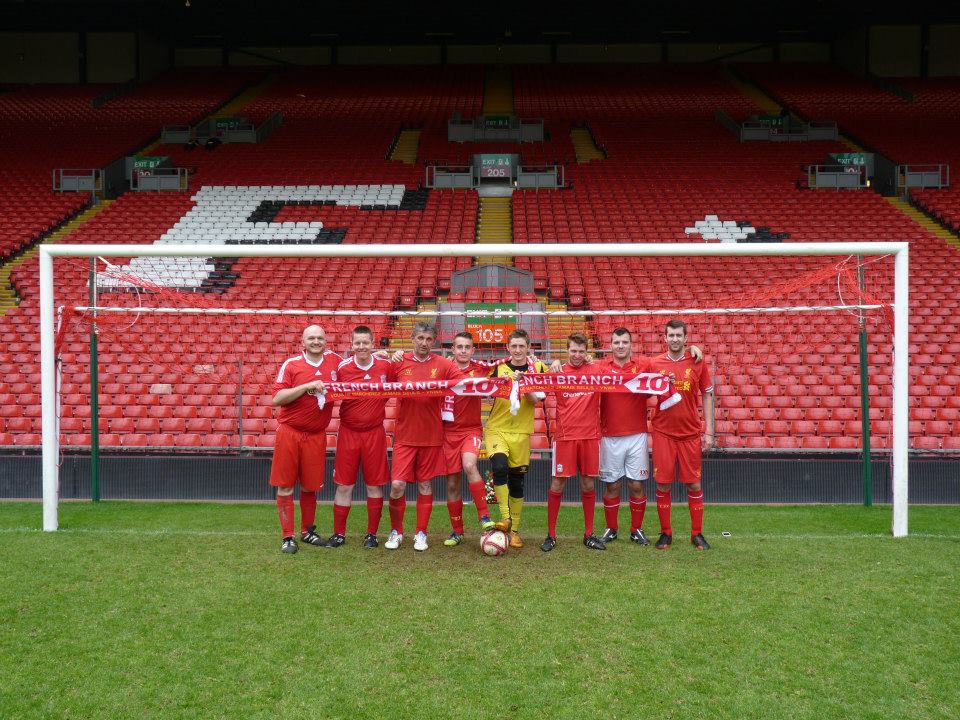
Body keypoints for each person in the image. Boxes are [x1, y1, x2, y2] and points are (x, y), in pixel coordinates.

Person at [593, 328, 702, 547]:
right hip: (610, 436)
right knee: (612, 485)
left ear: (631, 344)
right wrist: (558, 364)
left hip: (638, 436)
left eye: (625, 342)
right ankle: (611, 529)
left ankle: (636, 530)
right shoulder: (600, 367)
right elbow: (578, 370)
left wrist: (691, 349)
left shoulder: (645, 364)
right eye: (616, 342)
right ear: (611, 345)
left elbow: (671, 359)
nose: (620, 346)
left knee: (636, 485)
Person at [385, 321, 458, 552]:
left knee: (425, 485)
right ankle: (396, 531)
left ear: (434, 341)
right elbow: (379, 381)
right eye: (420, 338)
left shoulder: (444, 364)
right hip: (405, 436)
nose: (424, 343)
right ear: (412, 338)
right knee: (397, 486)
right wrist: (381, 355)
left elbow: (465, 381)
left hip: (431, 437)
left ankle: (421, 533)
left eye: (428, 339)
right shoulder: (399, 363)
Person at [269, 325, 342, 554]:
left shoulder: (335, 361)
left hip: (316, 435)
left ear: (326, 341)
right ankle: (287, 536)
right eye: (311, 338)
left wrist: (378, 355)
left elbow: (358, 366)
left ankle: (307, 531)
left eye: (320, 337)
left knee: (311, 487)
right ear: (303, 342)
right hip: (289, 433)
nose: (316, 341)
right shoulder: (291, 365)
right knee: (285, 486)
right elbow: (277, 399)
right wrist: (306, 386)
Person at [325, 326, 395, 550]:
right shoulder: (343, 368)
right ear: (352, 344)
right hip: (349, 433)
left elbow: (401, 382)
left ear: (373, 342)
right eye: (358, 343)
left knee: (374, 486)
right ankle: (339, 534)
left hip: (375, 432)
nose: (362, 347)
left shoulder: (385, 366)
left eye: (366, 342)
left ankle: (371, 535)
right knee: (344, 485)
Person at [648, 320, 714, 550]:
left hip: (690, 434)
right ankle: (666, 533)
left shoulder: (697, 361)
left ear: (686, 338)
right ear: (664, 338)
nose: (674, 339)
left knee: (694, 485)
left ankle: (697, 533)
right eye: (671, 335)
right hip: (663, 433)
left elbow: (707, 395)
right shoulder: (654, 364)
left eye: (679, 335)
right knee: (663, 485)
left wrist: (709, 431)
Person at [485, 328, 550, 549]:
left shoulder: (538, 368)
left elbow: (536, 401)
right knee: (500, 467)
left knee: (517, 482)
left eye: (522, 346)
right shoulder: (497, 368)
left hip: (522, 432)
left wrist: (525, 383)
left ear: (528, 347)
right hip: (497, 429)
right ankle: (505, 518)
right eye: (514, 346)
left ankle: (514, 531)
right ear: (508, 348)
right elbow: (484, 392)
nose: (518, 350)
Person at [541, 333, 605, 552]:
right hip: (565, 437)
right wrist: (552, 363)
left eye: (581, 351)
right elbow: (535, 378)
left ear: (586, 351)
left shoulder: (597, 370)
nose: (577, 355)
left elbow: (618, 368)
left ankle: (589, 534)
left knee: (588, 483)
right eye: (573, 351)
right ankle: (551, 535)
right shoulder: (558, 372)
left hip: (590, 436)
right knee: (557, 483)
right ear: (567, 351)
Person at [441, 331, 497, 546]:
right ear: (453, 349)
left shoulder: (481, 369)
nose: (463, 350)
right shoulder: (444, 369)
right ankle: (457, 531)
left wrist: (534, 359)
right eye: (459, 347)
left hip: (471, 430)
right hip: (447, 432)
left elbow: (510, 367)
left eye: (467, 347)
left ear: (472, 350)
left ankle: (484, 516)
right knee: (452, 484)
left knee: (470, 465)